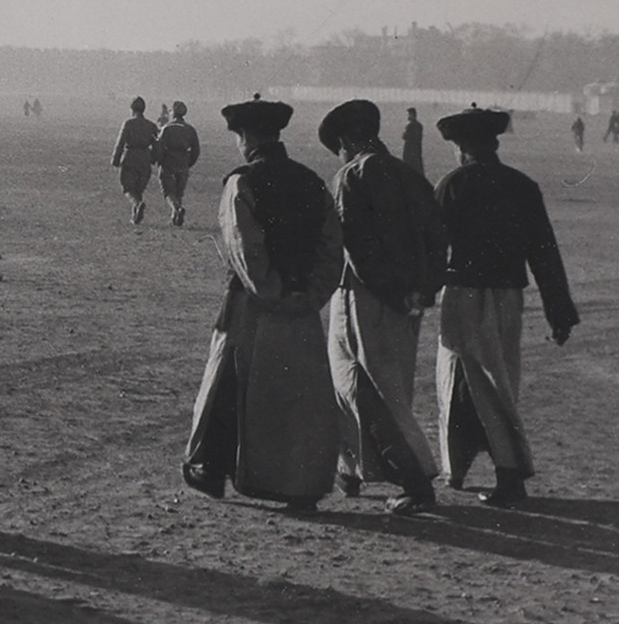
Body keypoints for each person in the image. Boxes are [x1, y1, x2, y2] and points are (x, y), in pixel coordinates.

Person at [182, 96, 344, 511]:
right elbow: (331, 247)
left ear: (247, 137)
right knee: (299, 397)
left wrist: (272, 294)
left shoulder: (241, 182)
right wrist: (310, 296)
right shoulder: (312, 181)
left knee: (229, 387)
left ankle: (214, 469)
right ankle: (301, 485)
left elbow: (244, 248)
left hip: (254, 306)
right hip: (304, 308)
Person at [433, 106, 578, 507]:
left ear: (461, 146)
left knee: (463, 382)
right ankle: (471, 468)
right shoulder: (522, 185)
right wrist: (559, 311)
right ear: (494, 143)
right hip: (509, 298)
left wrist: (417, 292)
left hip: (463, 294)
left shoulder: (452, 185)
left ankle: (505, 474)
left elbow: (433, 247)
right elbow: (544, 253)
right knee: (497, 381)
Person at [318, 100, 449, 514]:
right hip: (406, 299)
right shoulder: (411, 176)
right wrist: (422, 292)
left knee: (368, 387)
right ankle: (351, 468)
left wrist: (391, 292)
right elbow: (436, 240)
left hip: (364, 295)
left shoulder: (350, 176)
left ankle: (416, 479)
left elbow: (357, 248)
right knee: (370, 384)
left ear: (345, 141)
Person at [111, 97, 159, 224]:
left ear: (132, 108)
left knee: (128, 188)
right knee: (139, 188)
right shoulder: (151, 125)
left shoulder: (129, 123)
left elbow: (120, 143)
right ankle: (135, 215)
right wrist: (154, 159)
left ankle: (137, 204)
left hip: (130, 156)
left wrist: (116, 159)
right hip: (145, 158)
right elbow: (157, 145)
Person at [153, 101, 201, 227]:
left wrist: (158, 160)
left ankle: (177, 208)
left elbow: (160, 147)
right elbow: (196, 150)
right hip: (183, 161)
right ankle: (175, 216)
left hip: (169, 161)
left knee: (168, 191)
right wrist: (189, 163)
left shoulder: (167, 128)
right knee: (179, 191)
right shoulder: (190, 129)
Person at [400, 107, 425, 179]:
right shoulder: (419, 125)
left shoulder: (410, 126)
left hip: (409, 151)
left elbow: (404, 136)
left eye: (409, 114)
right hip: (417, 150)